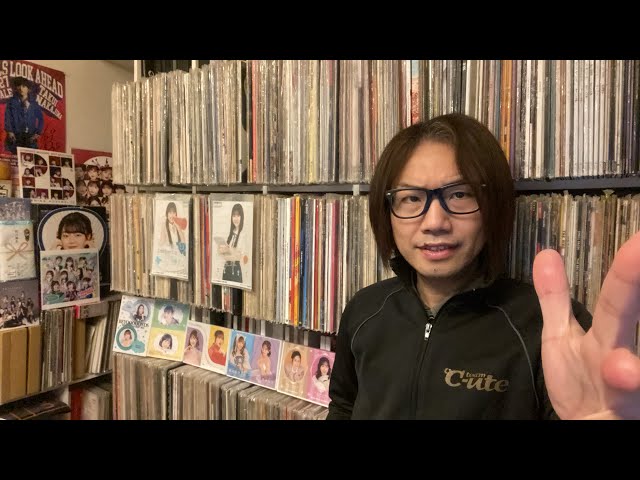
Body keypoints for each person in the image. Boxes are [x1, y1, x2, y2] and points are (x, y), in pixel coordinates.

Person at [328, 113, 640, 420]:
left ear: (493, 206)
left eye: (460, 194)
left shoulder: (552, 330)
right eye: (410, 198)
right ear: (387, 212)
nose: (434, 222)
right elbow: (343, 406)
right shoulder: (364, 310)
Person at [4, 77, 44, 154]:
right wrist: (10, 131)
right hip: (16, 136)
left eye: (24, 86)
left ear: (28, 89)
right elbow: (7, 117)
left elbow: (41, 119)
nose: (21, 88)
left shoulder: (34, 104)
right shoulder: (11, 102)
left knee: (30, 157)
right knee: (14, 156)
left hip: (30, 137)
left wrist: (38, 133)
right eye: (19, 86)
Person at [218, 203, 246, 283]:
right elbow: (222, 253)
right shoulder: (232, 233)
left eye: (238, 215)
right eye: (234, 216)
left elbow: (239, 255)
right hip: (227, 268)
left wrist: (227, 251)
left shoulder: (243, 234)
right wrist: (223, 250)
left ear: (242, 217)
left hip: (235, 269)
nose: (236, 218)